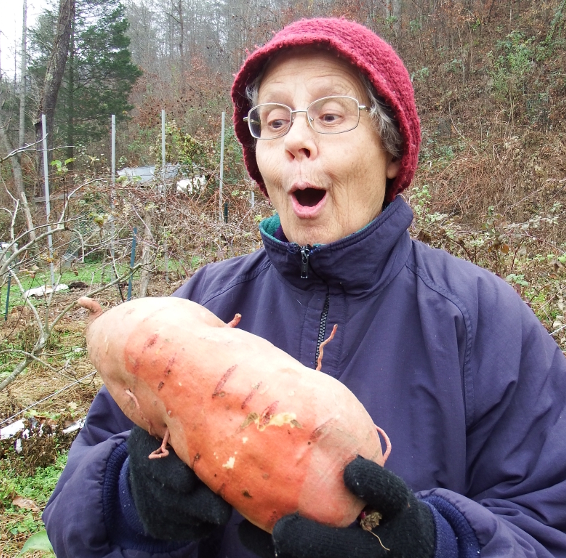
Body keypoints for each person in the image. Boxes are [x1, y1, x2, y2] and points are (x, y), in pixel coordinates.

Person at [43, 17, 566, 558]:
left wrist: (438, 542)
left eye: (330, 114)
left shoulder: (479, 318)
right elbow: (69, 520)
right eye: (273, 121)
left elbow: (549, 521)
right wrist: (125, 500)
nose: (294, 139)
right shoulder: (196, 307)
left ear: (390, 150)